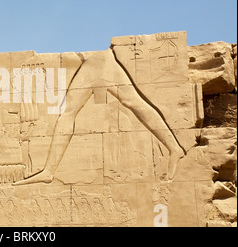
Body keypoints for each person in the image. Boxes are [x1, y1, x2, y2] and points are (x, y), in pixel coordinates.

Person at [15, 48, 186, 185]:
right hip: (99, 62)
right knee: (134, 103)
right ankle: (174, 148)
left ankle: (48, 171)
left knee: (68, 114)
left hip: (97, 63)